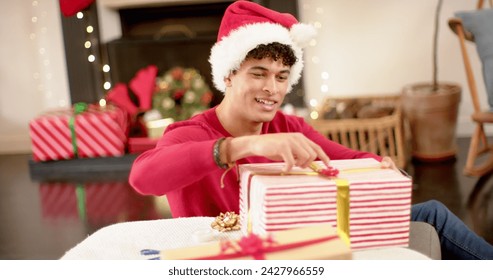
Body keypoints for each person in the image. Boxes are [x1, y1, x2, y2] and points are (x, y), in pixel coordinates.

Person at [129, 0, 493, 260]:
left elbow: (343, 157)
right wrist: (236, 148)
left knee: (431, 213)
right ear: (227, 75)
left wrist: (378, 165)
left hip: (302, 239)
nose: (272, 89)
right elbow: (143, 178)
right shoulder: (188, 133)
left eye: (282, 77)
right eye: (258, 73)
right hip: (239, 259)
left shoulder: (289, 126)